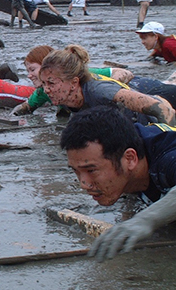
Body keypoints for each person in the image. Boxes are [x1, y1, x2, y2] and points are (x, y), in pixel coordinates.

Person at [60, 105, 176, 261]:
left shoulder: (168, 160)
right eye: (76, 171)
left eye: (91, 170)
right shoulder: (123, 147)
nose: (84, 184)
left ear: (130, 159)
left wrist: (147, 219)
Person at [39, 44, 176, 125]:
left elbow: (160, 107)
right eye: (43, 83)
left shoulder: (100, 91)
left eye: (51, 83)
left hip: (156, 93)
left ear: (74, 82)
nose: (46, 90)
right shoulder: (64, 97)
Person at [11, 45, 135, 115]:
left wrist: (109, 91)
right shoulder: (42, 92)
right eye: (27, 71)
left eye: (32, 70)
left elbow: (125, 73)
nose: (29, 76)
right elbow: (24, 108)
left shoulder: (86, 76)